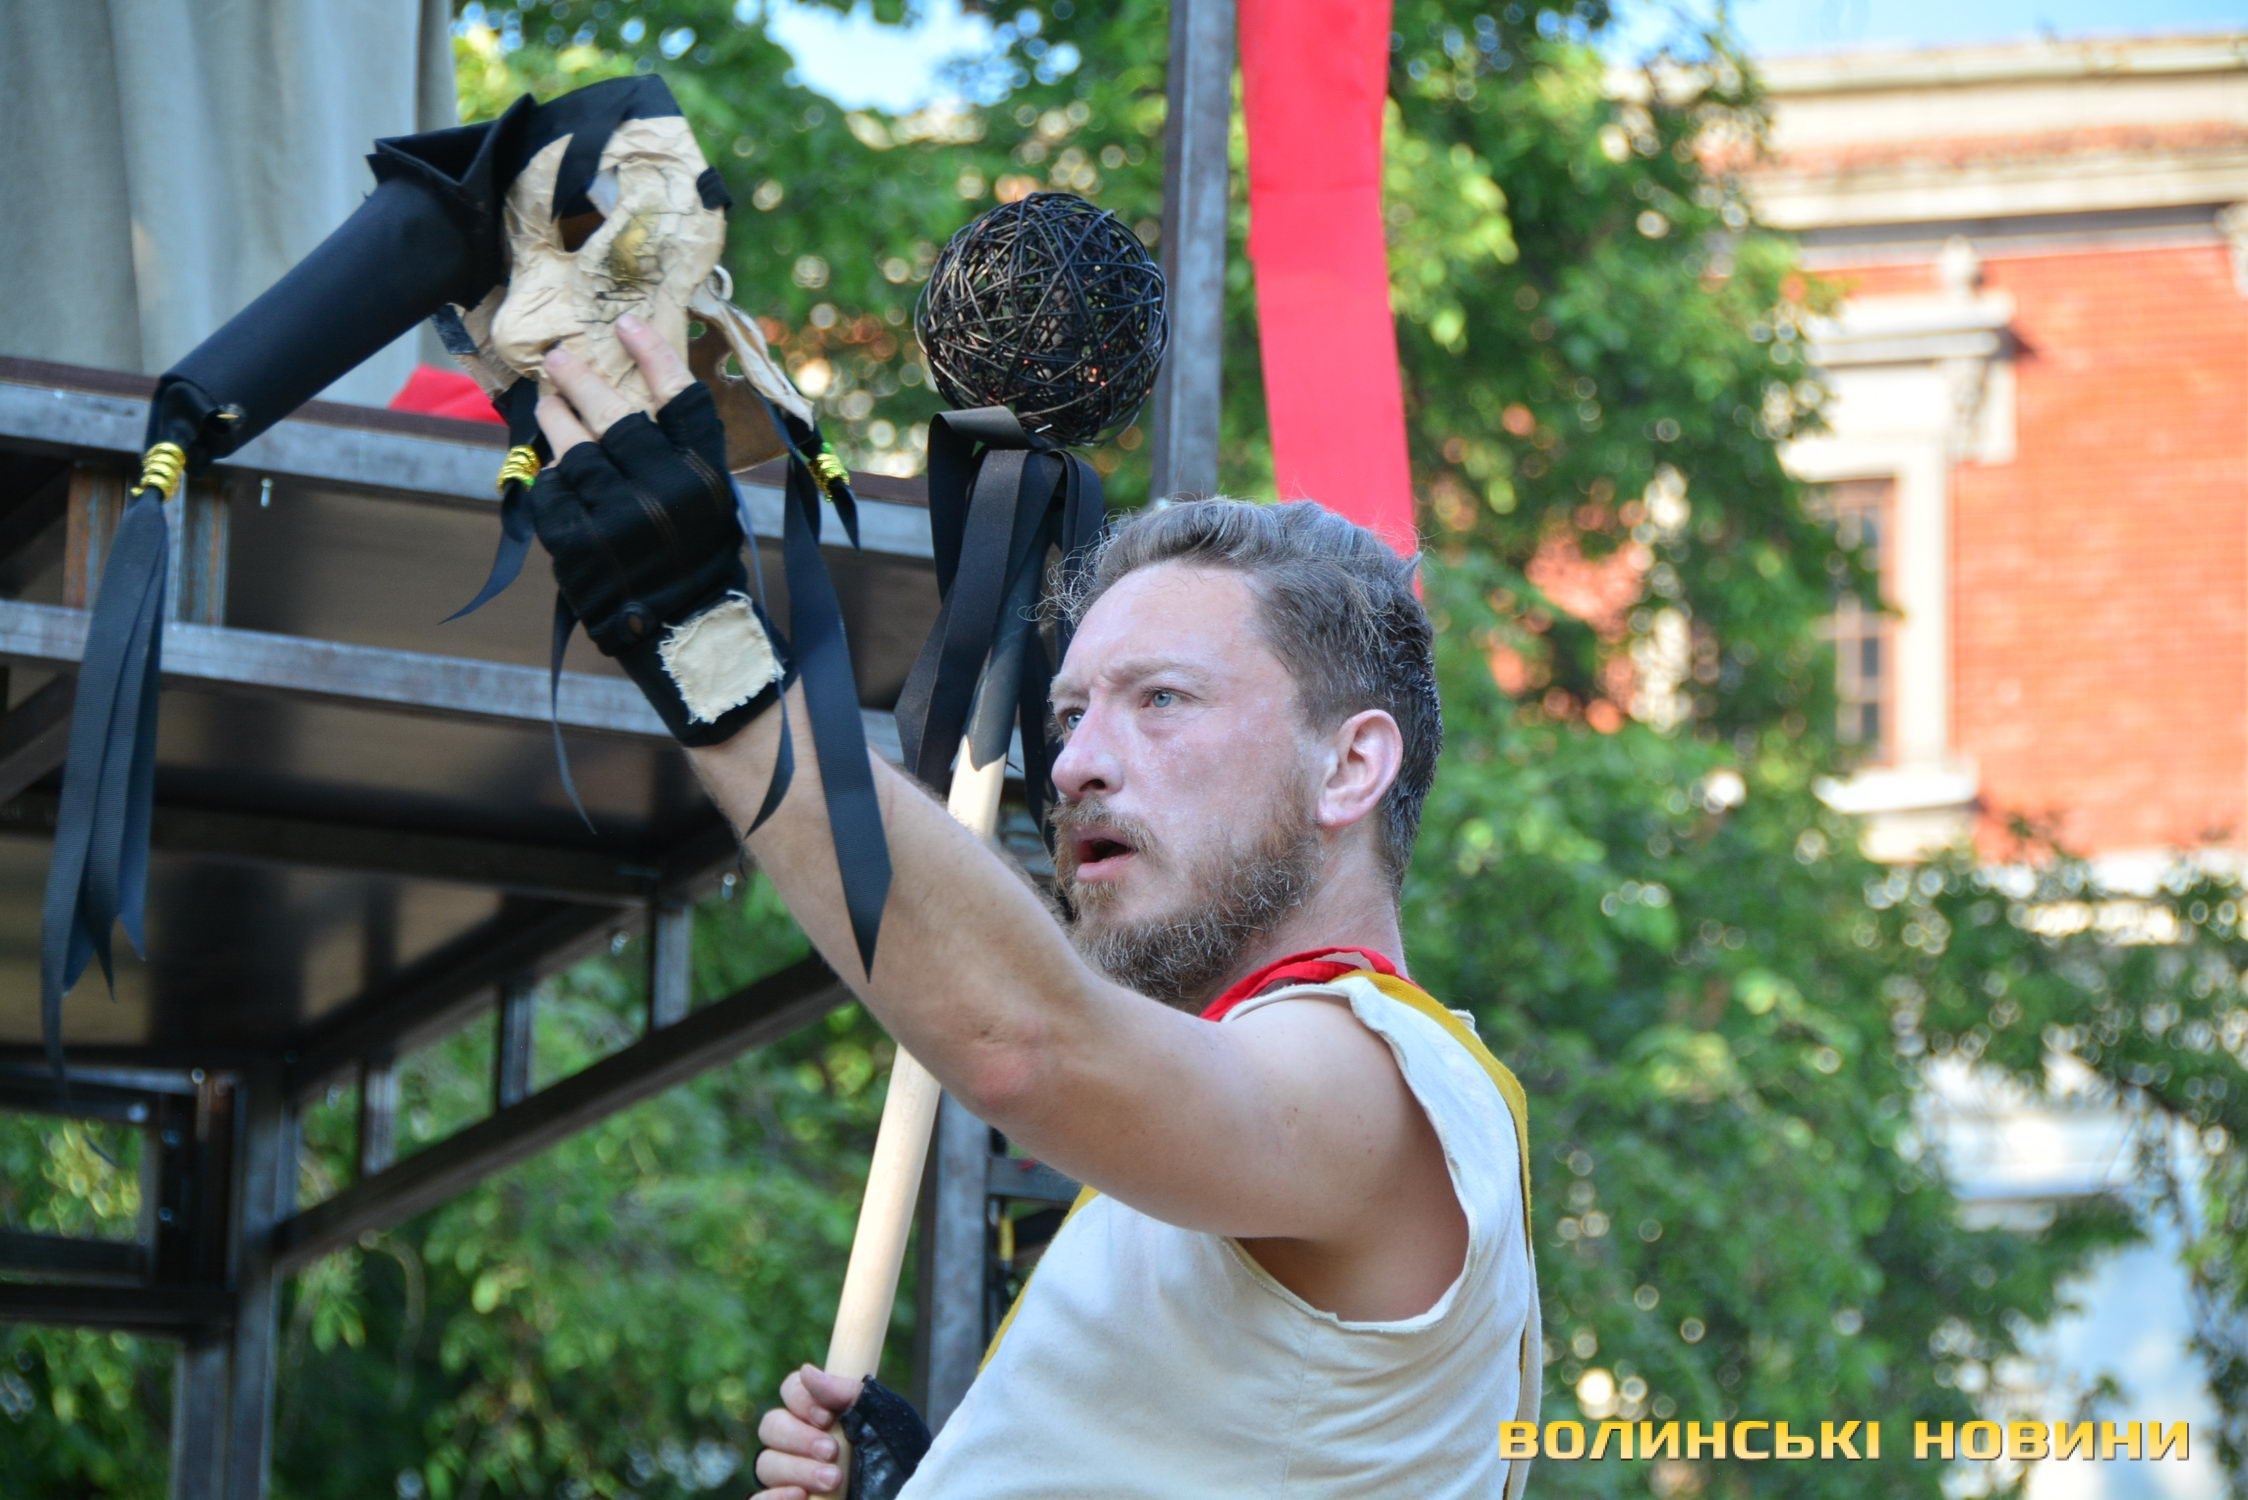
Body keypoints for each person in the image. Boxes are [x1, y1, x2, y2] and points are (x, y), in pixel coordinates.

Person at [530, 315, 1540, 1500]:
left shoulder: (1373, 1077)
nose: (1073, 766)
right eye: (1069, 716)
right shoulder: (1228, 1137)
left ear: (1350, 766)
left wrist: (704, 639)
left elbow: (1025, 1042)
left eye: (1160, 700)